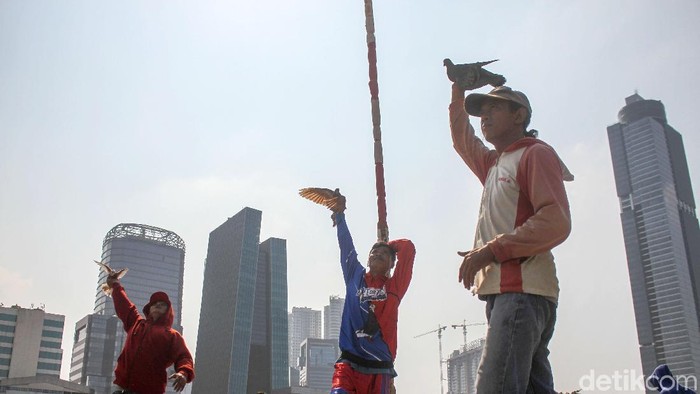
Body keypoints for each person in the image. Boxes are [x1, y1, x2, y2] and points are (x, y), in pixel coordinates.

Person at [448, 82, 573, 393]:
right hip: (508, 295)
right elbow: (463, 139)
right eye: (482, 111)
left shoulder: (535, 154)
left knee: (496, 387)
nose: (484, 116)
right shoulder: (494, 163)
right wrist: (457, 90)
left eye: (495, 108)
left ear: (519, 116)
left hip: (522, 292)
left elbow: (555, 221)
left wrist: (491, 250)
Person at [324, 190, 416, 394]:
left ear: (392, 264)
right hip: (348, 363)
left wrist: (388, 244)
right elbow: (345, 244)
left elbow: (408, 248)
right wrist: (340, 216)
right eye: (374, 251)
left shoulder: (395, 287)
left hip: (379, 368)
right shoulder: (354, 275)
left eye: (384, 254)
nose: (377, 253)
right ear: (367, 259)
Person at [106, 273, 195, 394]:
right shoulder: (136, 323)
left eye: (162, 304)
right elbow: (124, 305)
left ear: (168, 311)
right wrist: (115, 285)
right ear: (149, 309)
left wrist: (183, 373)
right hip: (121, 389)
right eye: (154, 303)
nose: (157, 305)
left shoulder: (172, 335)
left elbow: (184, 357)